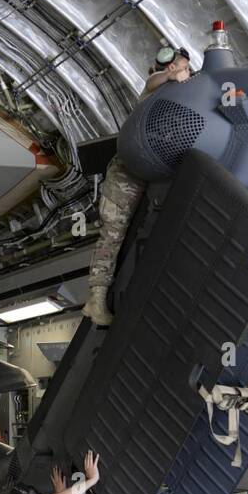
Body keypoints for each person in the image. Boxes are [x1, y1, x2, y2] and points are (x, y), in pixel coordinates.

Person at [84, 46, 194, 328]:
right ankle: (95, 299)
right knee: (113, 231)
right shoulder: (157, 88)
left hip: (160, 174)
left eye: (184, 68)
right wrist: (169, 77)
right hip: (128, 170)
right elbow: (151, 82)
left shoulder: (187, 97)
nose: (183, 72)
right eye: (180, 67)